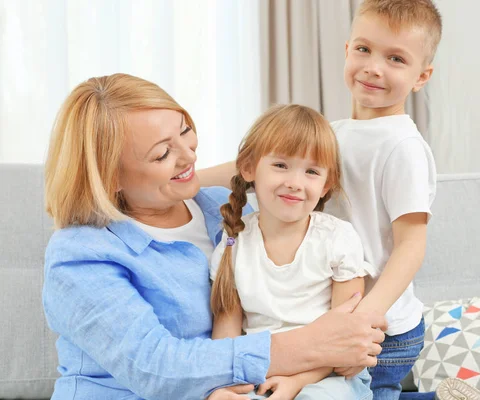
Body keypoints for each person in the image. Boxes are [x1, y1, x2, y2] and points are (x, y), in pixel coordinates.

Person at [41, 73, 387, 400]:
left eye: (185, 130)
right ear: (108, 178)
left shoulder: (225, 211)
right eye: (162, 153)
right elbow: (154, 366)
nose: (190, 154)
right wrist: (314, 344)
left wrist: (351, 344)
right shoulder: (81, 254)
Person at [208, 104, 375, 400]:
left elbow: (347, 339)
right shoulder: (234, 244)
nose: (294, 183)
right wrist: (226, 388)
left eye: (311, 171)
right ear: (249, 168)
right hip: (258, 373)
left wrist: (298, 381)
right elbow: (226, 342)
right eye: (281, 165)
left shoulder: (337, 239)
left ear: (327, 185)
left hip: (328, 373)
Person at [323, 1, 442, 399]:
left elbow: (411, 244)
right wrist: (186, 177)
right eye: (364, 49)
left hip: (382, 327)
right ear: (346, 50)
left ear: (421, 76)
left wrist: (367, 318)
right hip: (340, 318)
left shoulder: (402, 146)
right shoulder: (334, 132)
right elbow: (259, 163)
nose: (374, 67)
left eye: (395, 58)